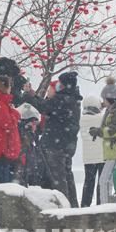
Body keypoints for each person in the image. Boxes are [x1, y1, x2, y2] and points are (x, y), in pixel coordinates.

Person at [23, 71, 82, 206]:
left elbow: (43, 106)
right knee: (67, 175)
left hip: (56, 144)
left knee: (58, 177)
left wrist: (29, 94)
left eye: (60, 83)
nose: (58, 86)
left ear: (65, 85)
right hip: (68, 144)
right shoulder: (73, 99)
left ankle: (64, 206)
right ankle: (73, 204)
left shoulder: (62, 99)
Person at [90, 79, 116, 204]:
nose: (103, 102)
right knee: (107, 180)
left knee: (104, 180)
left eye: (104, 99)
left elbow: (113, 130)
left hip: (115, 149)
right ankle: (106, 205)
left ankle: (105, 207)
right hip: (111, 149)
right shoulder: (112, 110)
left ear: (109, 98)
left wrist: (99, 132)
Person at [78, 94, 104, 206]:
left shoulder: (82, 119)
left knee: (88, 181)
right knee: (101, 182)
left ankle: (85, 204)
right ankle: (101, 203)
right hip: (102, 155)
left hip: (88, 157)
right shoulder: (101, 118)